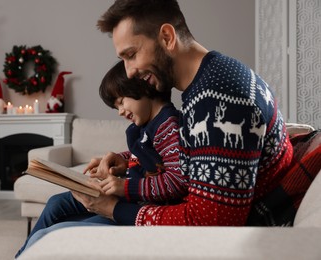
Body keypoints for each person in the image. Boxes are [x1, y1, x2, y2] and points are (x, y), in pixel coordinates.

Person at [71, 0, 300, 226]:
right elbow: (186, 162)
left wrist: (113, 209)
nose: (129, 73)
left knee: (58, 234)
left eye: (131, 55)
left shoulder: (217, 97)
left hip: (235, 237)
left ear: (167, 37)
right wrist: (127, 159)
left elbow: (210, 222)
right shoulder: (214, 77)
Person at [15, 60, 188, 257]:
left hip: (139, 206)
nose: (121, 112)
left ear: (144, 87)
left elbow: (177, 181)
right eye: (117, 107)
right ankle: (22, 254)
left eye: (121, 102)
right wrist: (119, 159)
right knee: (56, 202)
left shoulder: (168, 127)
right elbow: (145, 157)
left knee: (73, 229)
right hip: (131, 197)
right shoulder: (144, 126)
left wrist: (124, 187)